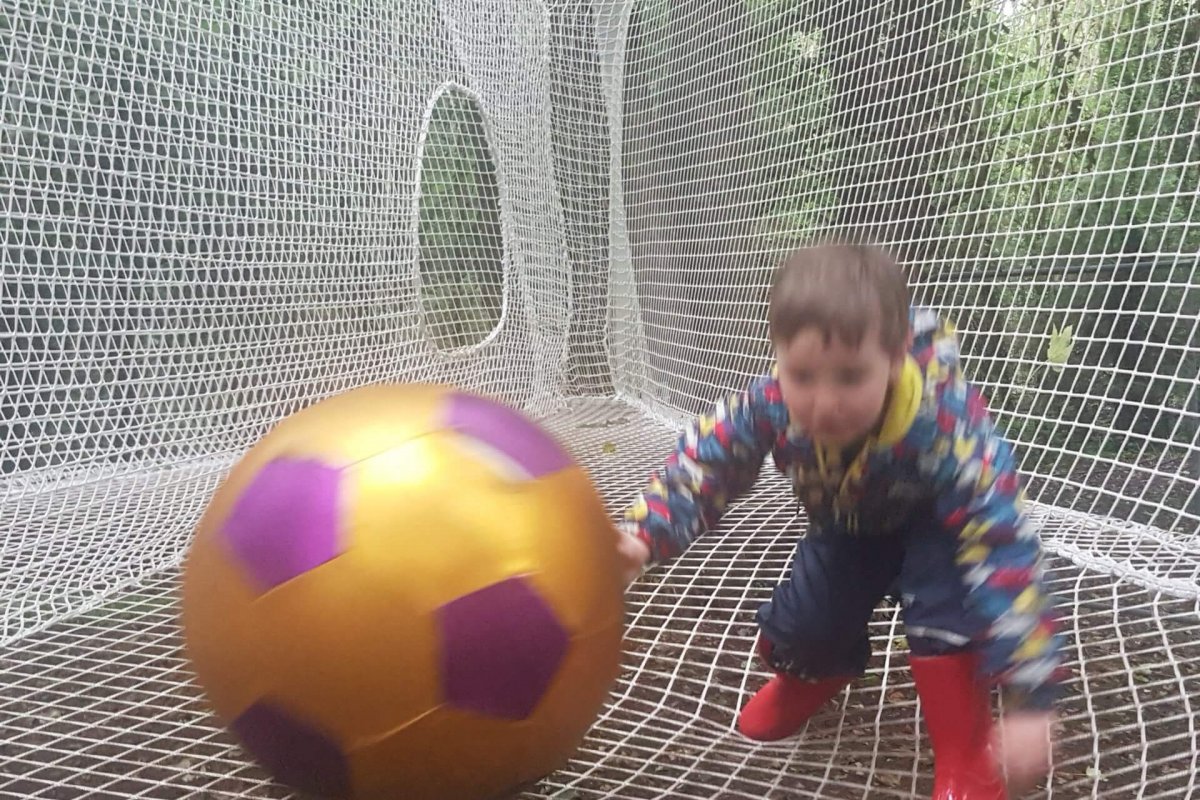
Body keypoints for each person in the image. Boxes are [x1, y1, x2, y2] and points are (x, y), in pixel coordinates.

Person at [614, 241, 1065, 799]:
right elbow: (708, 460)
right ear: (778, 357)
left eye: (850, 377)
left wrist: (1029, 695)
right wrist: (643, 535)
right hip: (850, 522)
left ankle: (965, 752)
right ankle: (819, 673)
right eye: (802, 375)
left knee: (947, 617)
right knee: (803, 627)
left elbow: (1001, 543)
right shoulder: (772, 403)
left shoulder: (944, 425)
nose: (824, 403)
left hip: (940, 527)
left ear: (894, 358)